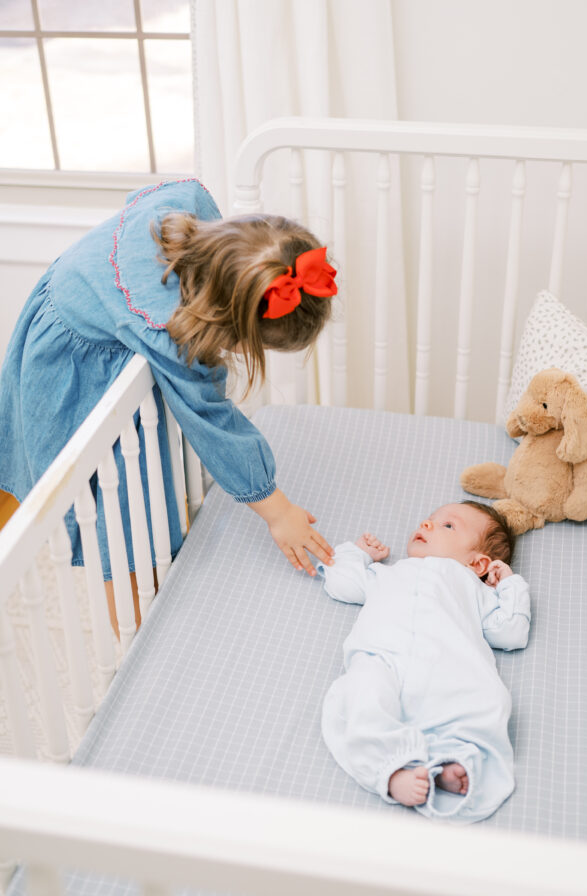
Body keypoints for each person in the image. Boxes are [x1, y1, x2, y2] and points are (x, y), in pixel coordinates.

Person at [0, 178, 336, 628]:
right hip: (72, 362)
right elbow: (212, 421)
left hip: (77, 305)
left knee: (149, 479)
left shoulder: (188, 204)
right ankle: (137, 629)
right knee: (119, 510)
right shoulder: (168, 334)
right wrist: (278, 511)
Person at [318, 500, 531, 822]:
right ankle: (392, 768)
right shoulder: (387, 573)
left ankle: (452, 761)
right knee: (361, 695)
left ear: (478, 564)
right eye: (429, 520)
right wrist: (358, 554)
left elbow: (510, 633)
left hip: (449, 666)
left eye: (448, 526)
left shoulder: (475, 589)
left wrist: (509, 584)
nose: (427, 524)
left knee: (489, 700)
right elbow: (342, 583)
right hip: (383, 659)